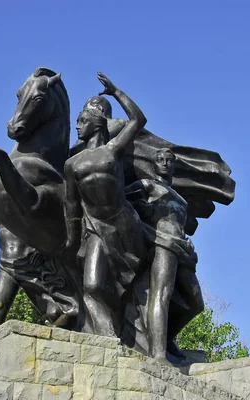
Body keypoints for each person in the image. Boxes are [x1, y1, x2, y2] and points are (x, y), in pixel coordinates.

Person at [64, 72, 147, 337]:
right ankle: (108, 338)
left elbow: (138, 120)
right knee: (92, 285)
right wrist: (71, 240)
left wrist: (116, 92)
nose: (77, 126)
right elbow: (71, 206)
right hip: (95, 228)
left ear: (97, 122)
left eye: (81, 121)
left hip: (123, 225)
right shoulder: (71, 163)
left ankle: (124, 329)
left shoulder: (113, 149)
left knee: (124, 286)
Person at [125, 148, 203, 363]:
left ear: (174, 164)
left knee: (196, 303)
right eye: (160, 160)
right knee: (161, 295)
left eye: (169, 160)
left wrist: (188, 242)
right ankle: (158, 354)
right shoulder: (146, 185)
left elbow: (179, 225)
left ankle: (167, 338)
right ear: (154, 164)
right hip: (161, 245)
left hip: (182, 249)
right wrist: (151, 233)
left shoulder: (181, 199)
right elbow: (123, 207)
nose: (165, 163)